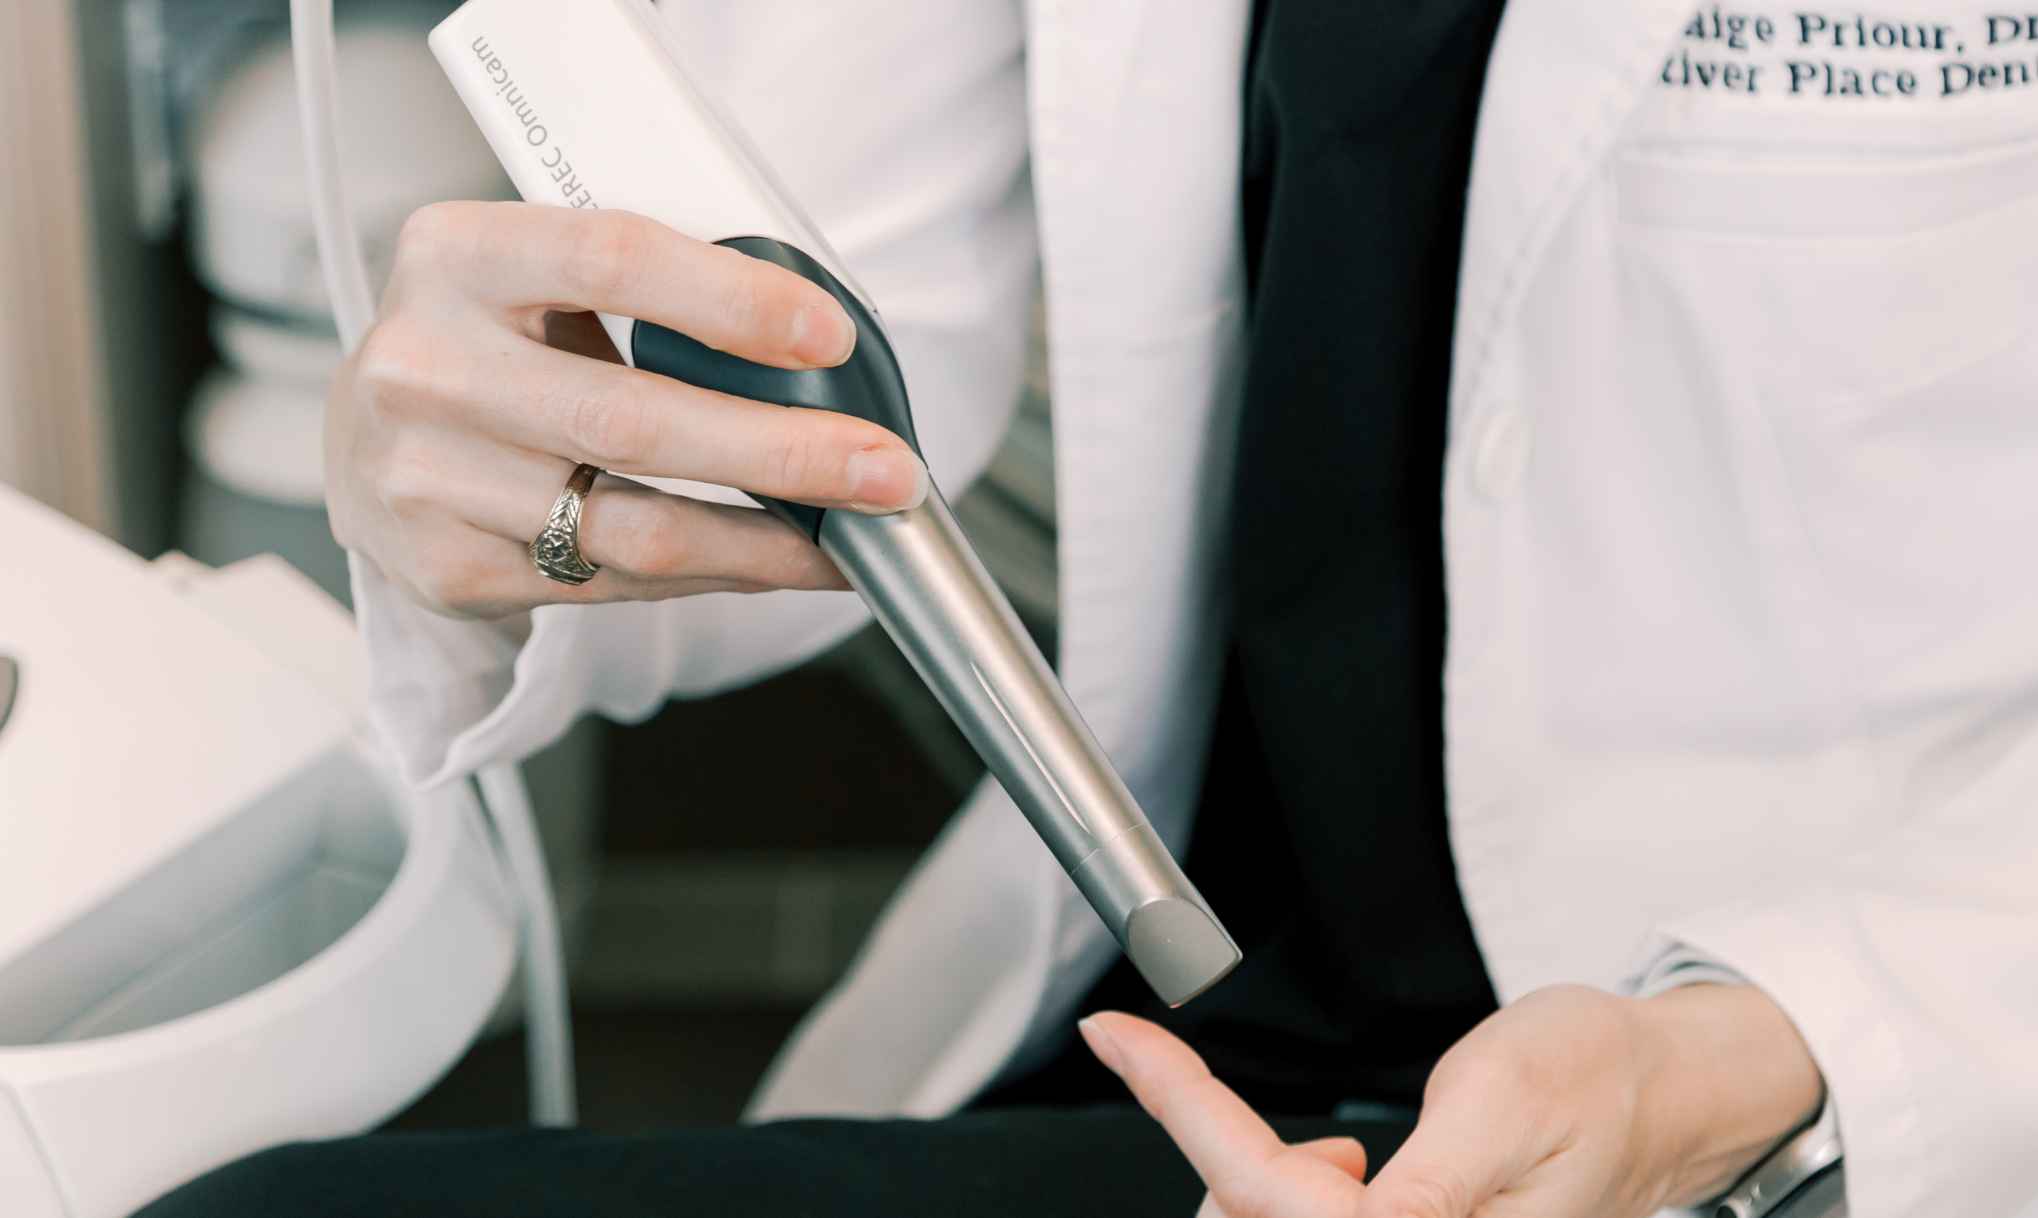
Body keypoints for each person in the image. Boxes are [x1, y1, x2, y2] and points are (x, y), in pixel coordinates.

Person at [144, 1, 2038, 1216]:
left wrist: (1756, 1057)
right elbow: (834, 311)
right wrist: (523, 464)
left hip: (1833, 1078)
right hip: (1210, 1053)